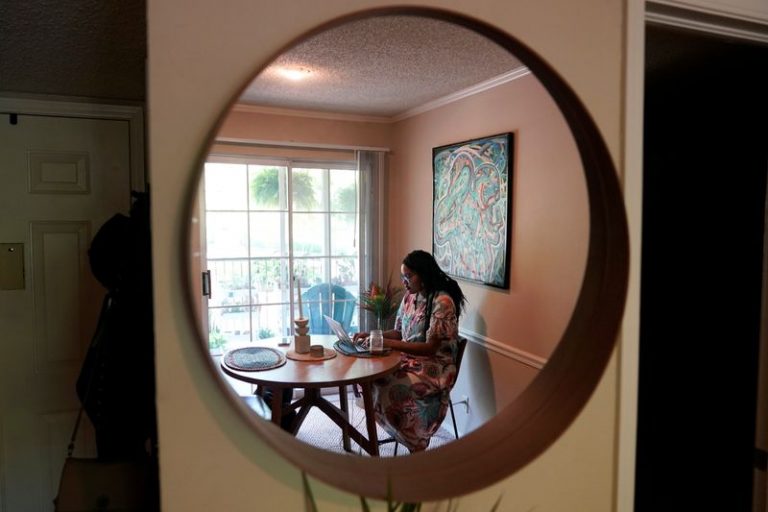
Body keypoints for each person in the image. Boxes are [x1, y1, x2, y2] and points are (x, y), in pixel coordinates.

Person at [353, 249, 466, 453]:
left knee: (390, 386)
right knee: (371, 377)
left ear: (423, 275)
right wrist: (373, 334)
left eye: (409, 276)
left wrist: (387, 344)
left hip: (435, 366)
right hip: (409, 358)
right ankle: (398, 432)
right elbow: (398, 332)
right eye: (403, 276)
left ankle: (415, 439)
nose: (404, 281)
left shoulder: (442, 302)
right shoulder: (409, 297)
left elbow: (430, 348)